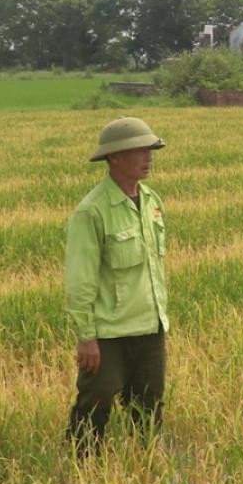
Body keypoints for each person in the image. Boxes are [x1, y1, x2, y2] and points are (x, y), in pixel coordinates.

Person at [64, 117, 170, 454]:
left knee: (150, 406)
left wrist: (161, 322)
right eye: (139, 150)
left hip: (149, 326)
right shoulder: (92, 211)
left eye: (150, 149)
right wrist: (86, 336)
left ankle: (149, 469)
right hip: (108, 333)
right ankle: (82, 468)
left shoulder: (152, 201)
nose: (148, 157)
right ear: (114, 157)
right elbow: (80, 279)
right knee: (96, 402)